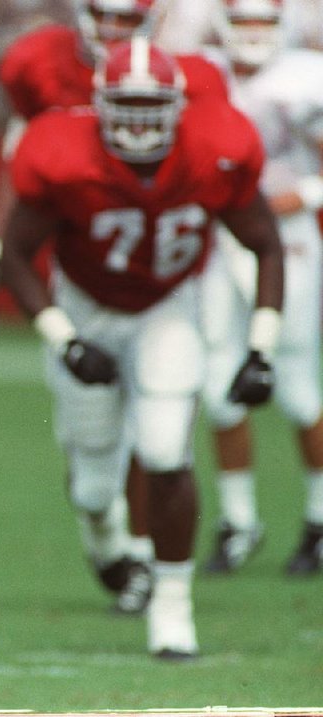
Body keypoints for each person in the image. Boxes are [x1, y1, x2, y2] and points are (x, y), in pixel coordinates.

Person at [0, 37, 284, 658]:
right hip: (85, 307)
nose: (137, 120)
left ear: (179, 106)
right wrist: (65, 339)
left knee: (164, 449)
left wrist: (260, 347)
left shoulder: (217, 149)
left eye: (151, 106)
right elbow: (16, 254)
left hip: (167, 309)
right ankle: (107, 544)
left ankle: (172, 606)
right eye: (124, 105)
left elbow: (265, 242)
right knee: (95, 487)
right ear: (98, 104)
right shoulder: (60, 151)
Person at [0, 0, 230, 615]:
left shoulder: (194, 79)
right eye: (102, 15)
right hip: (86, 270)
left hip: (171, 275)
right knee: (93, 453)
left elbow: (221, 169)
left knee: (163, 424)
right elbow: (23, 160)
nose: (112, 30)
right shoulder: (42, 66)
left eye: (126, 18)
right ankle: (111, 536)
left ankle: (150, 557)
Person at [199, 0, 323, 574]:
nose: (251, 34)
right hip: (219, 239)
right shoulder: (202, 71)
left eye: (262, 22)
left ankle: (320, 519)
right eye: (242, 21)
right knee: (218, 381)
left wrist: (308, 194)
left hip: (288, 237)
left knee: (297, 382)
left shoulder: (304, 76)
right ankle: (238, 521)